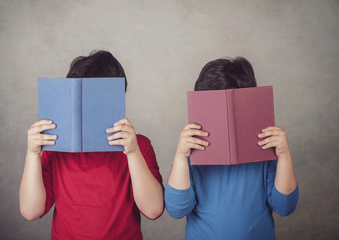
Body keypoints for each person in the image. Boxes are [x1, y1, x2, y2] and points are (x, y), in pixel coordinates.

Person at [19, 50, 164, 239]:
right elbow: (31, 211)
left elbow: (153, 210)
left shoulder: (139, 145)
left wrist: (133, 152)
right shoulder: (56, 146)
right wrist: (32, 153)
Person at [165, 57, 299, 240]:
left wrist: (284, 156)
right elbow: (177, 209)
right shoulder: (192, 150)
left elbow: (285, 206)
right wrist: (180, 157)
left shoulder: (265, 148)